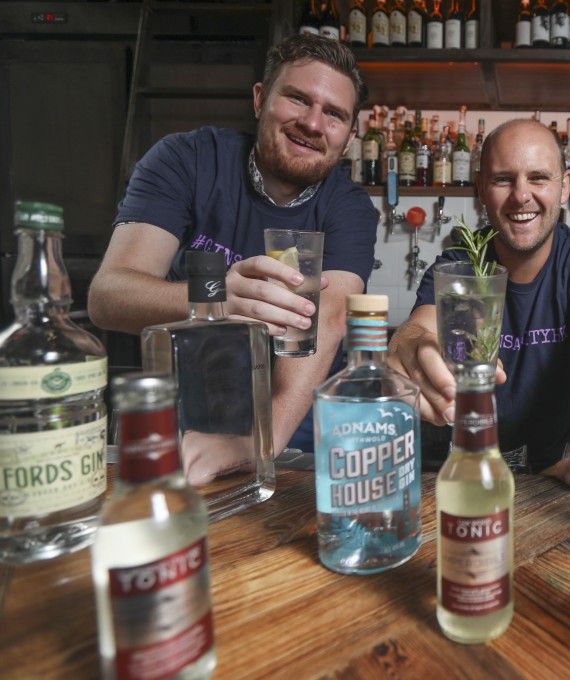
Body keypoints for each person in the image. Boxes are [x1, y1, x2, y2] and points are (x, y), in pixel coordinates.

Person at [87, 35, 378, 454]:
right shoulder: (186, 160)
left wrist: (259, 447)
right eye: (297, 99)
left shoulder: (350, 208)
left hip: (288, 435)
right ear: (260, 99)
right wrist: (216, 298)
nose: (313, 124)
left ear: (349, 138)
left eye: (333, 114)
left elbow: (329, 319)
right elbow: (108, 296)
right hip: (181, 427)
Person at [387, 118, 570, 491]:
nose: (521, 195)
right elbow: (420, 329)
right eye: (503, 179)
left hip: (564, 477)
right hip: (471, 474)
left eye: (538, 178)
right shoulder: (458, 266)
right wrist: (409, 347)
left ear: (564, 187)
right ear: (481, 190)